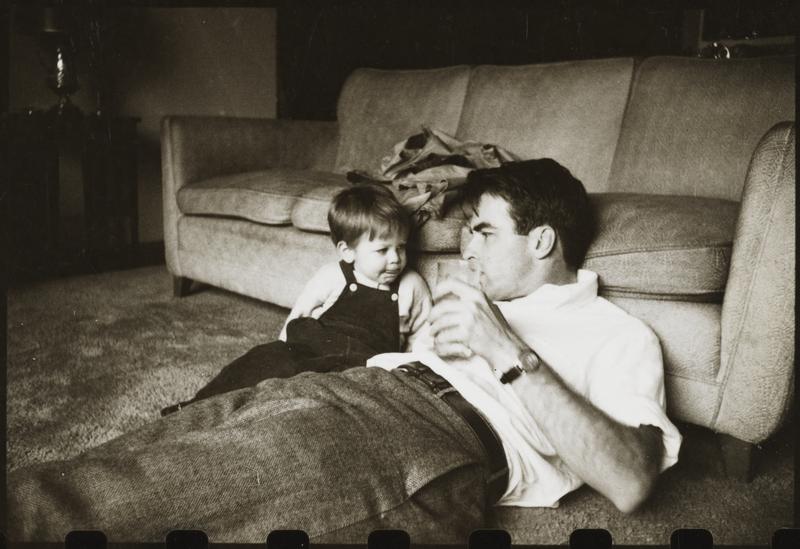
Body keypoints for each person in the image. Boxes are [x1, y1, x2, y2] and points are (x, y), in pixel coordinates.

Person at [8, 158, 682, 543]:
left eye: (483, 231)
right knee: (130, 457)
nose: (465, 247)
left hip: (425, 438)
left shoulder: (616, 333)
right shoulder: (484, 303)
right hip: (350, 387)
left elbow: (631, 480)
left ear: (542, 240)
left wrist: (510, 353)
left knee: (111, 504)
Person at [162, 183, 432, 413]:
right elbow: (300, 313)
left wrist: (410, 374)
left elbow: (424, 338)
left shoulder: (411, 286)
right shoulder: (333, 275)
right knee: (263, 359)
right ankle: (196, 406)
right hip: (315, 347)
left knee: (312, 403)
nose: (396, 259)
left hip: (364, 364)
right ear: (347, 252)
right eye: (382, 250)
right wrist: (283, 347)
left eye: (401, 247)